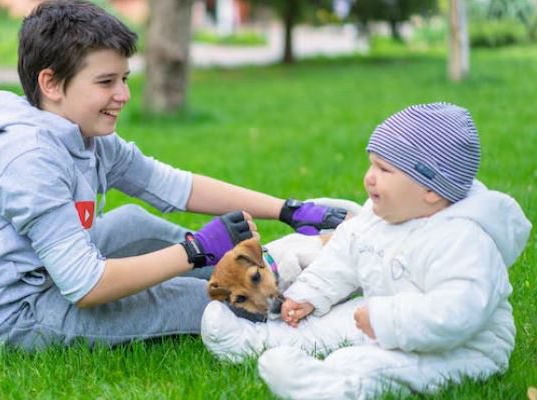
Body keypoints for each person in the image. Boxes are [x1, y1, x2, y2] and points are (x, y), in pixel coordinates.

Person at [0, 0, 347, 350]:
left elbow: (172, 185)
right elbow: (86, 286)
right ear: (52, 84)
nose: (124, 95)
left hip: (40, 274)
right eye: (106, 82)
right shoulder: (27, 158)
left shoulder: (80, 132)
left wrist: (289, 210)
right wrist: (193, 249)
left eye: (124, 79)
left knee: (132, 223)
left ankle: (269, 270)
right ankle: (306, 327)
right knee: (192, 299)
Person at [201, 103, 532, 399]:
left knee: (378, 365)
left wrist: (385, 319)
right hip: (380, 314)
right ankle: (255, 342)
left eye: (384, 170)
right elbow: (341, 258)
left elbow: (459, 311)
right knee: (325, 325)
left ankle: (336, 386)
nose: (369, 178)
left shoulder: (463, 240)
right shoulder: (377, 218)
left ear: (431, 189)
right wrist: (307, 296)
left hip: (462, 345)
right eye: (371, 164)